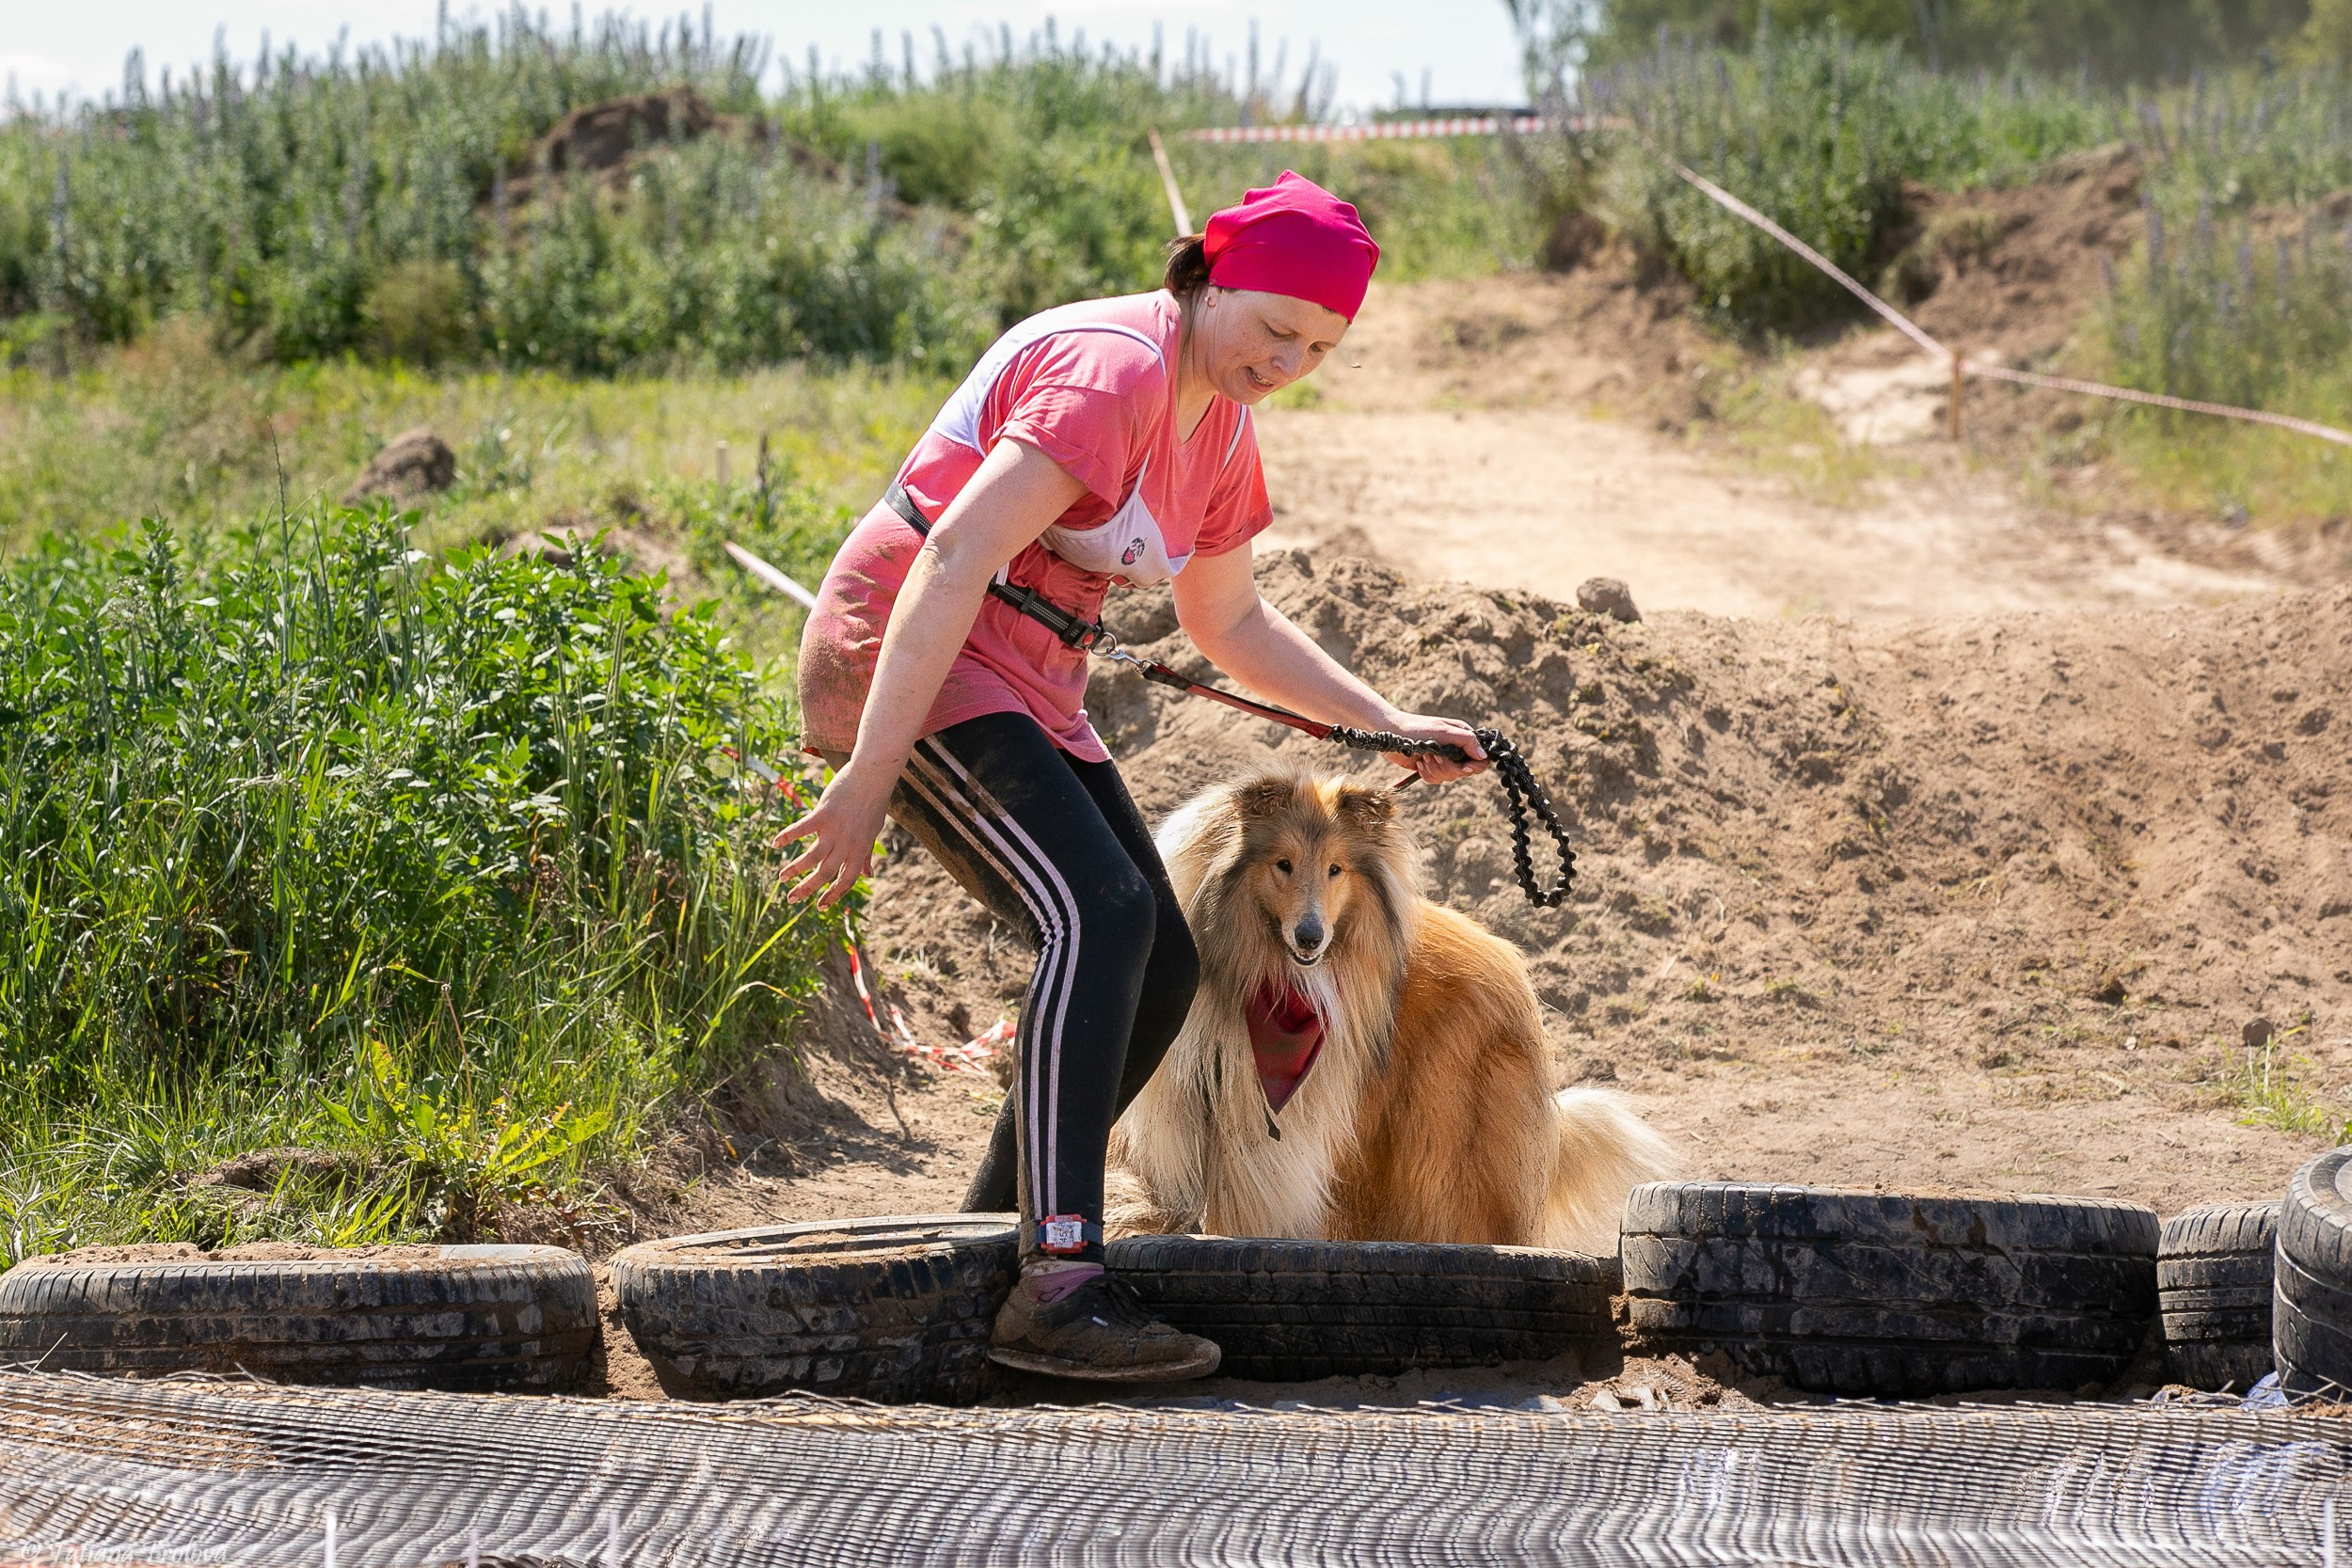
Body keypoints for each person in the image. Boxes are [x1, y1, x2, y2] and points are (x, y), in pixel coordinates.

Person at [779, 171, 1488, 1383]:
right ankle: (1058, 1280)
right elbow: (949, 560)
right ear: (1210, 279)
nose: (1287, 362)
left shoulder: (1222, 428)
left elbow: (1235, 624)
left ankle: (979, 1245)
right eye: (1274, 330)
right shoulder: (1112, 374)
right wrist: (866, 779)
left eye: (1318, 347)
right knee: (1097, 915)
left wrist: (1384, 724)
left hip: (1029, 682)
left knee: (1161, 956)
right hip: (914, 649)